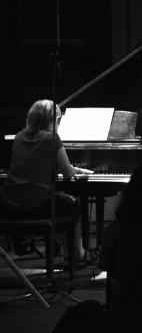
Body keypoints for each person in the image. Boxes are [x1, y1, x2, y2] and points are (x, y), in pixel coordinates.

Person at [0, 99, 93, 265]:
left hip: (8, 201)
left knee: (60, 200)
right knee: (73, 204)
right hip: (35, 203)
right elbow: (67, 172)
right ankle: (77, 254)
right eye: (58, 120)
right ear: (53, 120)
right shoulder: (52, 138)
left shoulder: (19, 137)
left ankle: (67, 255)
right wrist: (75, 169)